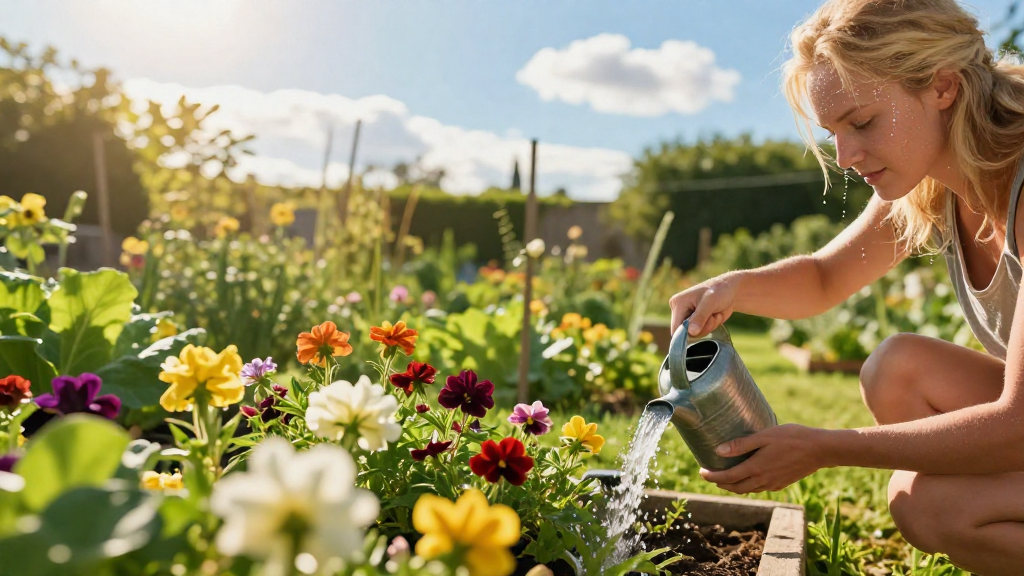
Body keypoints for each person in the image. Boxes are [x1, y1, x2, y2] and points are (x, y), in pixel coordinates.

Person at [667, 0, 1024, 572]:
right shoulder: (935, 183)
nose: (847, 156)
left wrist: (823, 447)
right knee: (896, 368)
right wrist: (732, 287)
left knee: (930, 506)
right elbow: (824, 277)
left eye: (862, 123)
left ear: (943, 86)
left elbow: (1018, 426)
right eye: (834, 132)